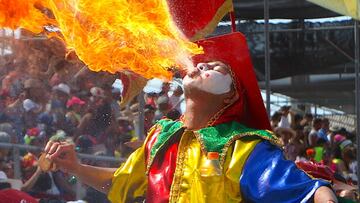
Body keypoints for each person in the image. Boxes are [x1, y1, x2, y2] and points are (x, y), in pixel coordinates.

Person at [44, 33, 336, 202]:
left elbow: (306, 191)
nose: (204, 63)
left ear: (231, 96)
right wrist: (77, 167)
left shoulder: (243, 148)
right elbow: (121, 183)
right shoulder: (161, 136)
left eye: (218, 68)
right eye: (206, 62)